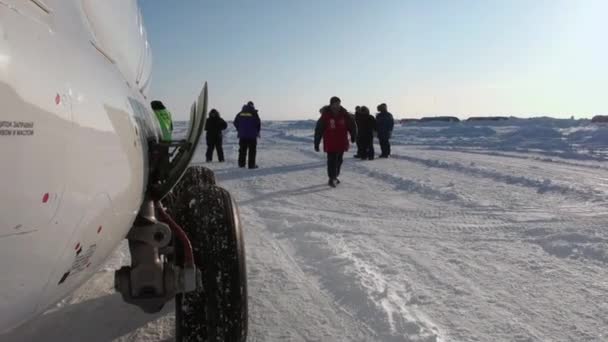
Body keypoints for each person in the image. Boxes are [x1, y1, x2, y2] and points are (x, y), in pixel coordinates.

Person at [314, 96, 357, 187]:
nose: (337, 105)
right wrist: (316, 142)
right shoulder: (326, 115)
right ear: (331, 104)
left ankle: (335, 176)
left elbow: (352, 125)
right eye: (335, 103)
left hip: (341, 141)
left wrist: (353, 135)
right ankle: (331, 178)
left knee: (339, 160)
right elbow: (319, 129)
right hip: (330, 142)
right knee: (332, 160)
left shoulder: (344, 114)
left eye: (338, 103)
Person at [234, 102, 261, 169]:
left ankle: (241, 164)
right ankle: (251, 165)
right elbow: (258, 123)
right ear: (253, 106)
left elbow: (235, 122)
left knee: (242, 150)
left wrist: (239, 129)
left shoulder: (240, 113)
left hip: (242, 135)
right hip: (252, 136)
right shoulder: (254, 113)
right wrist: (257, 132)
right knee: (252, 151)